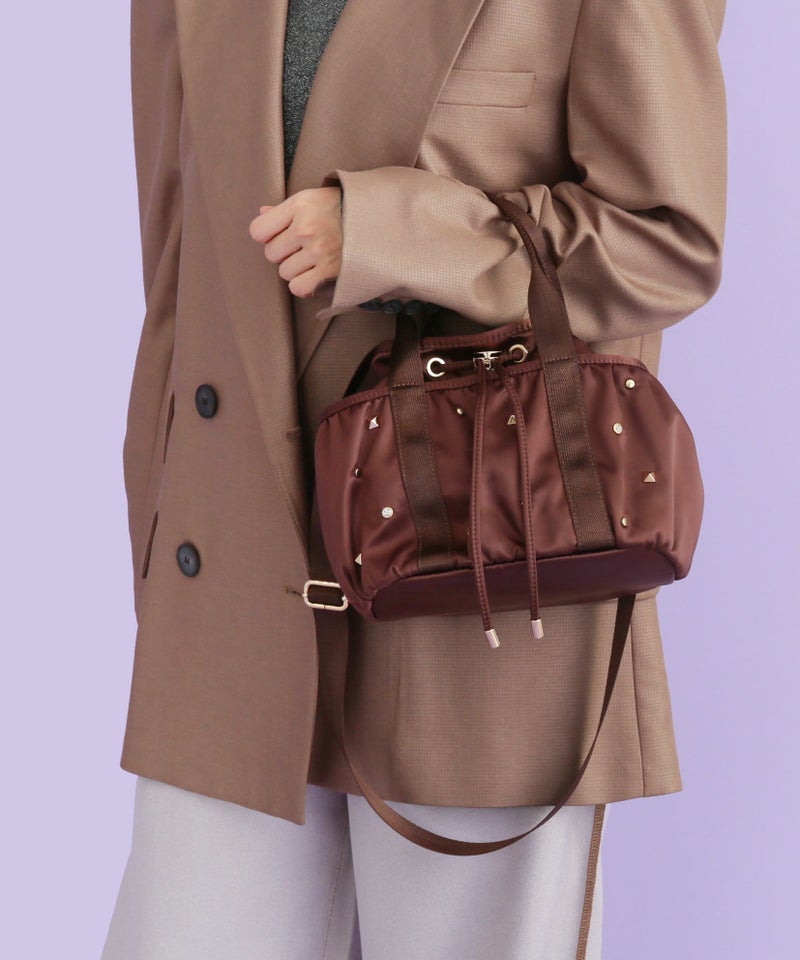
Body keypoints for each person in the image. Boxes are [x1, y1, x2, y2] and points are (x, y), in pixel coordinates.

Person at [101, 0, 727, 957]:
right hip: (233, 584)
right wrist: (161, 544)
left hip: (490, 564)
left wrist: (398, 231)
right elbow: (178, 271)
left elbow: (666, 238)